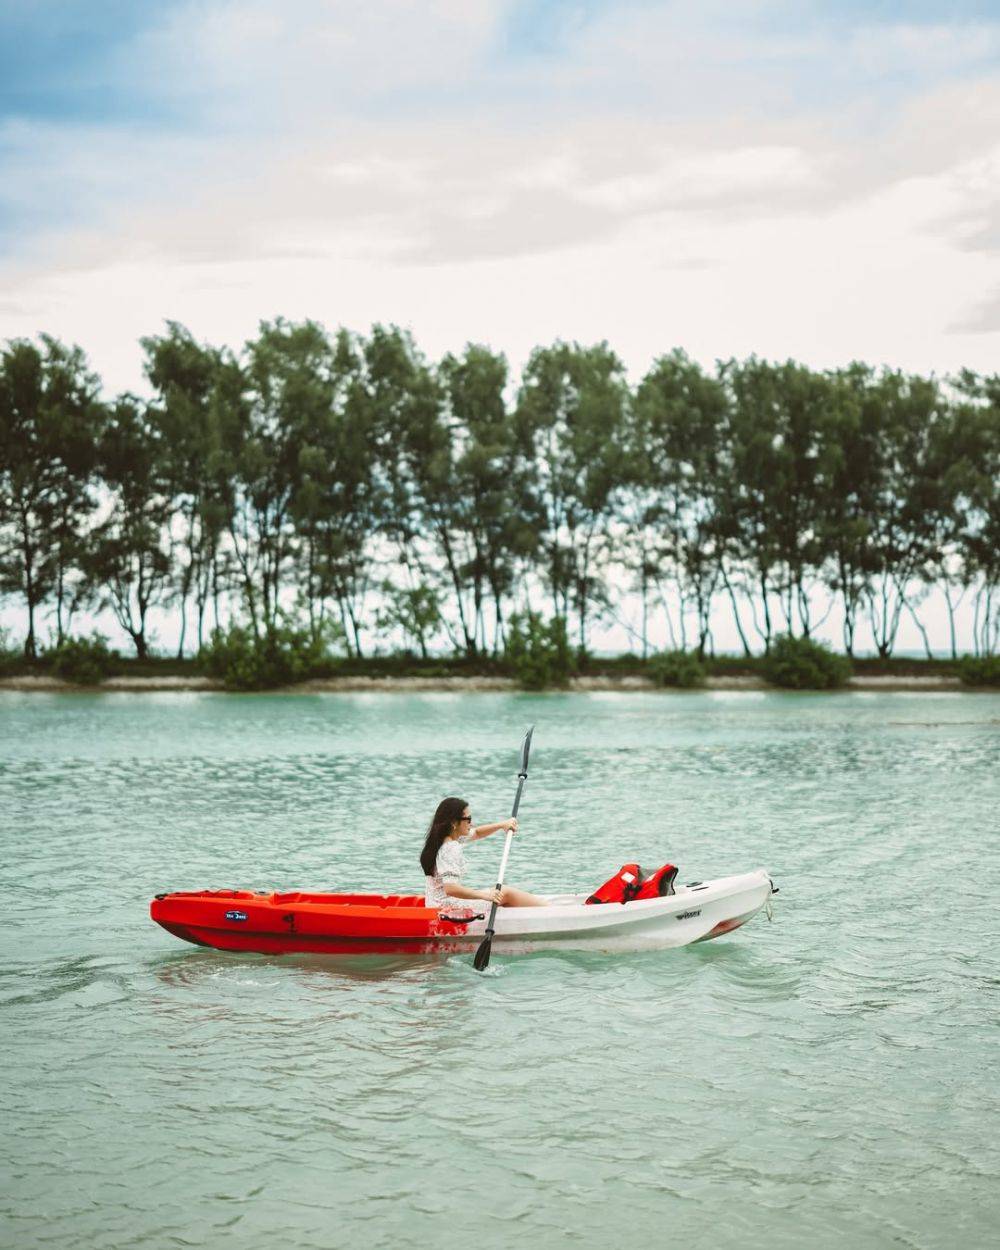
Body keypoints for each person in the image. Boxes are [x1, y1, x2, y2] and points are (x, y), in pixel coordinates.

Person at [420, 796, 548, 910]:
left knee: (501, 895)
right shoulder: (450, 848)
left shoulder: (442, 839)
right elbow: (451, 889)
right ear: (454, 823)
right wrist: (485, 896)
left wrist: (502, 825)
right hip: (445, 908)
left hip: (434, 903)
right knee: (505, 892)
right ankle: (550, 910)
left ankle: (537, 908)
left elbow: (477, 833)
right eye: (468, 819)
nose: (472, 823)